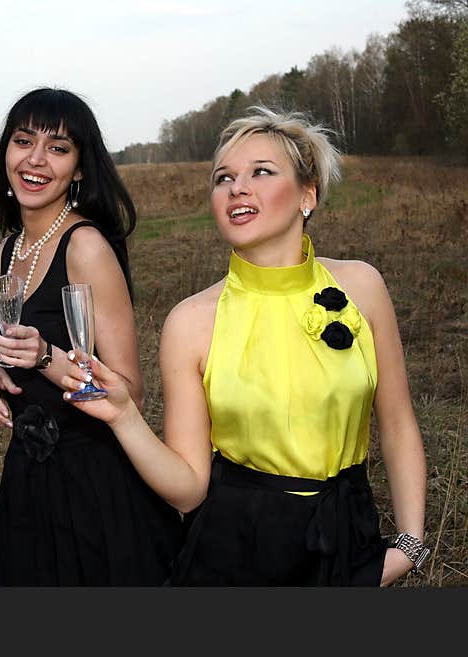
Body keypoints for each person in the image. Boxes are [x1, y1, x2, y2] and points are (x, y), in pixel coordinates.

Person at [63, 106, 428, 586]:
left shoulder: (363, 287)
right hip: (235, 555)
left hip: (347, 540)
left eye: (261, 172)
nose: (237, 188)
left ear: (307, 194)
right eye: (223, 178)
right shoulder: (189, 322)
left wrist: (409, 544)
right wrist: (123, 416)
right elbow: (189, 490)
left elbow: (398, 424)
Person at [0, 87, 182, 585]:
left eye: (58, 148)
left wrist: (45, 357)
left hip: (94, 482)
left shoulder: (85, 246)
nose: (35, 159)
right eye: (23, 141)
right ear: (6, 151)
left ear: (81, 167)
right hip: (28, 478)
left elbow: (129, 391)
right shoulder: (5, 253)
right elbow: (15, 343)